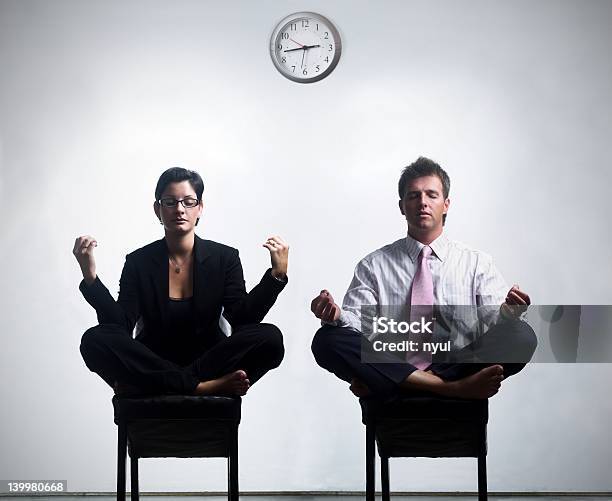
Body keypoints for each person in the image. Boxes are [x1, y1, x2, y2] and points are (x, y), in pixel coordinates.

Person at [310, 157, 537, 400]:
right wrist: (336, 316)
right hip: (413, 367)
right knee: (327, 339)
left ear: (446, 204)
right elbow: (360, 327)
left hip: (450, 366)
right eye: (413, 196)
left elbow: (493, 323)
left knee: (522, 335)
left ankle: (404, 382)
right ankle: (448, 388)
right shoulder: (373, 266)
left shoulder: (477, 263)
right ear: (401, 206)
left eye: (431, 195)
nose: (423, 203)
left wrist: (507, 314)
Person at [75, 167, 289, 397]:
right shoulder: (138, 261)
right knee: (93, 340)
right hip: (153, 361)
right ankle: (199, 388)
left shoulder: (225, 258)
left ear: (200, 208)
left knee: (271, 338)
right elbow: (121, 324)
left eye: (188, 202)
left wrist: (276, 275)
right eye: (169, 202)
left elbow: (241, 320)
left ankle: (161, 386)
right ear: (158, 209)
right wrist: (90, 277)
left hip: (208, 363)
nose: (179, 209)